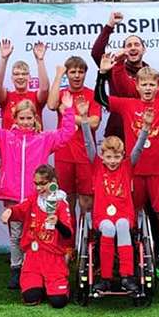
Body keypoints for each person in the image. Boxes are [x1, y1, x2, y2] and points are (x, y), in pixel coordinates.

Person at [94, 53, 159, 277]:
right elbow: (101, 99)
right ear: (137, 86)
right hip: (133, 172)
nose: (148, 88)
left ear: (158, 86)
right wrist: (102, 74)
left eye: (152, 84)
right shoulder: (127, 105)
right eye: (144, 84)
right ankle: (134, 260)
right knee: (131, 218)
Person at [0, 91, 77, 289]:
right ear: (14, 118)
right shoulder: (5, 137)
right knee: (16, 236)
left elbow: (67, 133)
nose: (25, 122)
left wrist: (68, 110)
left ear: (35, 118)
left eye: (29, 118)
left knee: (38, 233)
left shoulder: (43, 139)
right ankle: (16, 269)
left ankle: (36, 269)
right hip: (13, 196)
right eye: (21, 118)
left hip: (37, 198)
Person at [82, 106, 151, 294]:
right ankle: (105, 278)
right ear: (102, 156)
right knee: (108, 227)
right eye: (109, 157)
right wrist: (85, 120)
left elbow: (138, 149)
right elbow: (88, 144)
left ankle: (127, 276)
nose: (113, 161)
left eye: (117, 157)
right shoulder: (97, 166)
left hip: (124, 214)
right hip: (102, 215)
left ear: (123, 156)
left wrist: (145, 128)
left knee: (121, 225)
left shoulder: (127, 166)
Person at [0, 164, 73, 309]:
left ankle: (55, 286)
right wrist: (10, 212)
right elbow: (19, 210)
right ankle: (40, 285)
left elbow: (68, 234)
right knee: (30, 298)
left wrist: (58, 223)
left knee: (58, 302)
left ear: (53, 182)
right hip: (33, 257)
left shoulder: (61, 203)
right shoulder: (33, 200)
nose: (38, 188)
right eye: (36, 184)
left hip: (53, 258)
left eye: (42, 184)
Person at [47, 57, 102, 216]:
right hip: (64, 155)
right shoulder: (62, 94)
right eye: (72, 72)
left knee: (87, 202)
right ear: (67, 74)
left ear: (85, 74)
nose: (77, 75)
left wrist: (68, 113)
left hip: (86, 156)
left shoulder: (92, 95)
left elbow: (94, 123)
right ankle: (69, 233)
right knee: (66, 201)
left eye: (81, 72)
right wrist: (59, 75)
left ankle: (87, 232)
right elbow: (51, 105)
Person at [90, 11, 149, 139]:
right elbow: (96, 53)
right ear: (124, 50)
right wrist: (109, 26)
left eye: (137, 45)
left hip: (143, 131)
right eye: (129, 45)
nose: (133, 48)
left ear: (144, 50)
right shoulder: (113, 68)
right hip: (117, 131)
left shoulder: (151, 75)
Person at [0, 38, 49, 129]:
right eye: (16, 74)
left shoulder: (35, 97)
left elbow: (45, 88)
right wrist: (4, 59)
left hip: (34, 138)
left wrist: (40, 60)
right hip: (10, 138)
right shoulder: (6, 97)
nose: (20, 77)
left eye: (24, 74)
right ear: (12, 78)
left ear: (29, 78)